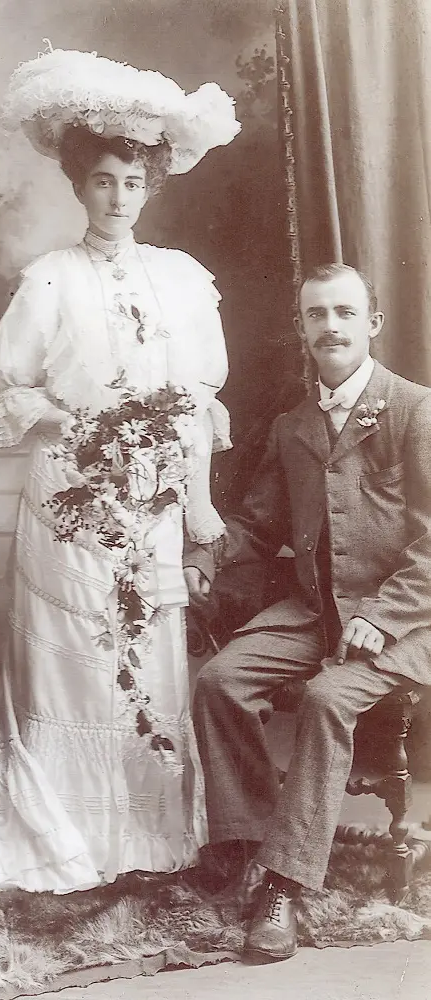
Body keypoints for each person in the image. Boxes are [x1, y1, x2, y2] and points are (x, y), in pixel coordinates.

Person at [0, 47, 240, 893]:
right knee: (75, 667)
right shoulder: (49, 280)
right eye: (103, 182)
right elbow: (7, 381)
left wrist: (194, 507)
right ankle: (64, 841)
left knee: (147, 664)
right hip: (69, 504)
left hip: (150, 506)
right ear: (79, 187)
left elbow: (195, 397)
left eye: (132, 182)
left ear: (150, 186)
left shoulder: (183, 282)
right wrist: (84, 426)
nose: (118, 198)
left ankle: (147, 845)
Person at [186, 263, 431, 962]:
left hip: (408, 620)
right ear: (301, 328)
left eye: (344, 313)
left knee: (327, 698)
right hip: (318, 610)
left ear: (371, 324)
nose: (331, 327)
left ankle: (284, 887)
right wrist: (203, 559)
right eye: (317, 315)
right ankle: (250, 844)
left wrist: (383, 616)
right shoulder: (295, 425)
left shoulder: (416, 410)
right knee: (219, 681)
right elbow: (259, 526)